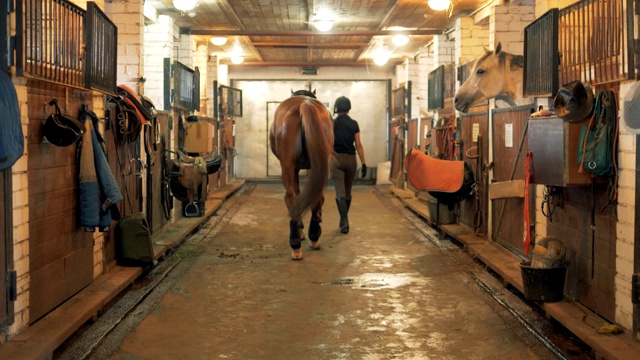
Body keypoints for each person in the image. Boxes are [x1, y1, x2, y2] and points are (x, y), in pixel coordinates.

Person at [330, 96, 366, 234]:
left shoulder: (332, 123)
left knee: (340, 192)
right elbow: (358, 145)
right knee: (348, 192)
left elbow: (328, 143)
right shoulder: (354, 124)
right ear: (348, 108)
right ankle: (343, 218)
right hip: (351, 160)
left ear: (337, 108)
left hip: (336, 159)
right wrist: (364, 163)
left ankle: (344, 221)